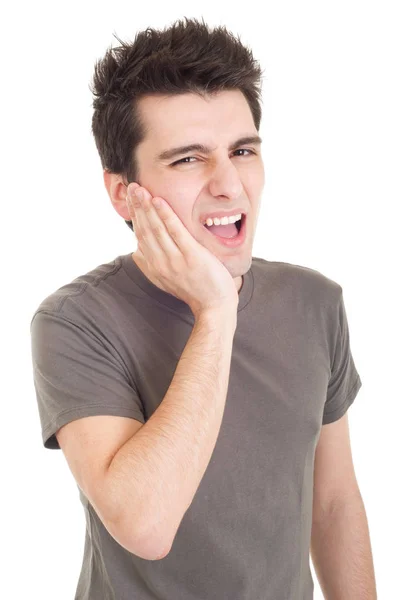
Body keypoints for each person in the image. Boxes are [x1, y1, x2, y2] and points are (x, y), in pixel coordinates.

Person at [30, 16, 377, 600]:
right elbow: (145, 525)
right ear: (122, 191)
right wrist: (216, 312)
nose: (229, 184)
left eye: (242, 150)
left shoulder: (316, 303)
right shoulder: (74, 323)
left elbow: (334, 500)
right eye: (188, 159)